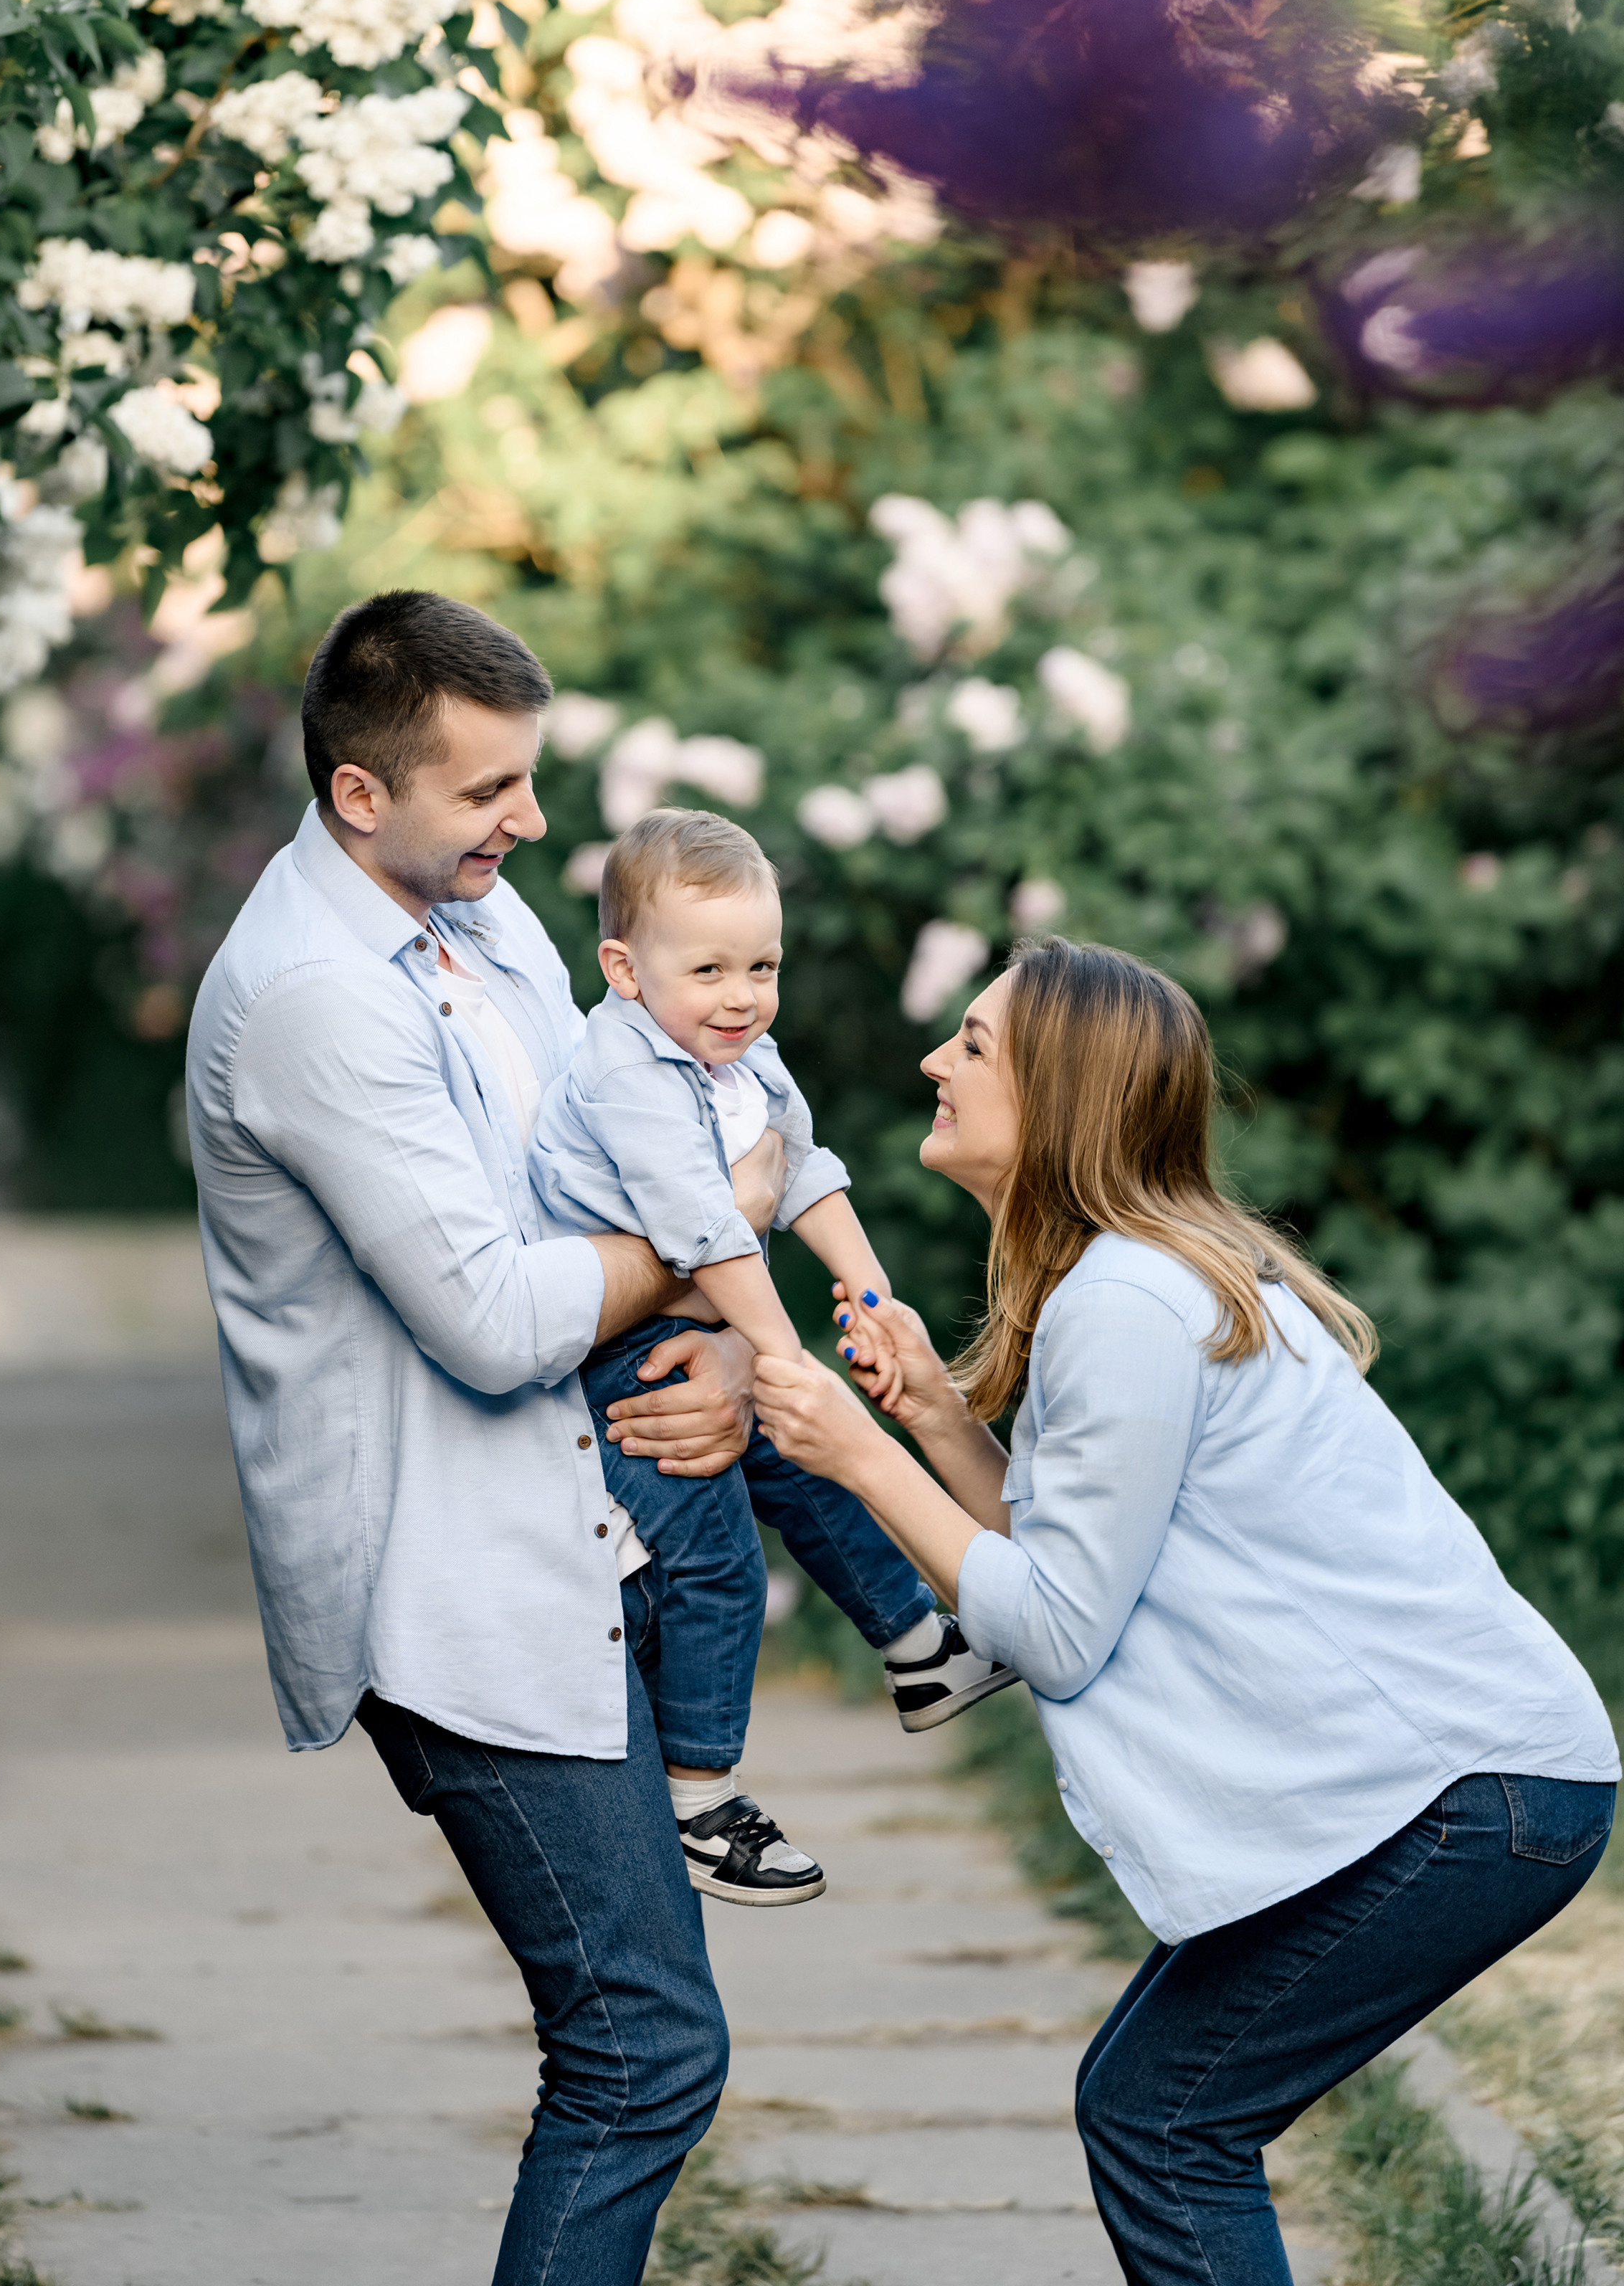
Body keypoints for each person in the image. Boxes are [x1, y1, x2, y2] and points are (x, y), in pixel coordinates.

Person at [748, 934, 1620, 2286]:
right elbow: (1059, 1558)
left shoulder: (1129, 1301)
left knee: (1164, 2119)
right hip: (1484, 1784)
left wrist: (857, 1459)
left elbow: (1049, 1633)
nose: (935, 1060)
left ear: (1064, 1096)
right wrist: (923, 1411)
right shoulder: (1127, 1282)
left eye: (972, 1044)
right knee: (1153, 2109)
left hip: (1473, 1795)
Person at [186, 590, 773, 2286]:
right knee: (643, 2052)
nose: (529, 822)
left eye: (529, 779)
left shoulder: (483, 917)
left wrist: (719, 1344)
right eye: (486, 791)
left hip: (587, 1528)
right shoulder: (311, 994)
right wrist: (711, 1238)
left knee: (642, 2051)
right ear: (361, 794)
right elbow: (505, 1317)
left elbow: (603, 1182)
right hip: (454, 1599)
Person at [529, 805, 1019, 1907]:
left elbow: (798, 1168)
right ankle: (702, 1800)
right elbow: (706, 1230)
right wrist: (777, 1352)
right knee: (715, 1557)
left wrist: (871, 1294)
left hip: (691, 1315)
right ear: (623, 969)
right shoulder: (627, 1073)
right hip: (613, 1351)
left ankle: (917, 1648)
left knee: (814, 1458)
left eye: (763, 965)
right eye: (708, 968)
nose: (743, 995)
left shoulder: (734, 1051)